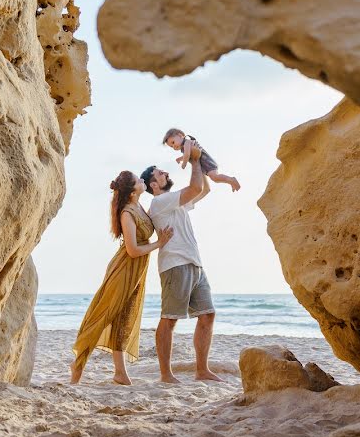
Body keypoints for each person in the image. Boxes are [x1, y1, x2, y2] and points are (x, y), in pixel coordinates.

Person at [70, 171, 173, 385]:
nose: (143, 181)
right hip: (125, 268)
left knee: (125, 317)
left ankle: (120, 373)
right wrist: (159, 244)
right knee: (105, 314)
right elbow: (133, 250)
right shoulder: (127, 212)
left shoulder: (139, 207)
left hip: (137, 270)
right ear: (132, 190)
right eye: (139, 180)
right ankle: (78, 364)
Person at [141, 146, 222, 383]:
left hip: (194, 263)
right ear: (153, 185)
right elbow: (195, 187)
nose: (165, 172)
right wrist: (194, 160)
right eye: (159, 173)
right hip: (175, 265)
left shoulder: (174, 202)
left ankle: (202, 370)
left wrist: (202, 158)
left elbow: (203, 189)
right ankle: (166, 375)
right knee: (170, 319)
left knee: (207, 315)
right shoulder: (160, 203)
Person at [163, 128, 241, 192]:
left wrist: (184, 164)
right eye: (171, 146)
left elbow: (187, 154)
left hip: (206, 161)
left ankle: (231, 180)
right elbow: (187, 154)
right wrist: (180, 159)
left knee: (215, 177)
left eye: (173, 142)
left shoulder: (187, 142)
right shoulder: (184, 147)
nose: (174, 146)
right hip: (204, 165)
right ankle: (230, 181)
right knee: (215, 179)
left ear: (180, 135)